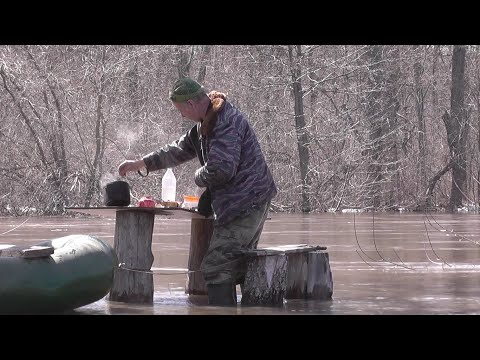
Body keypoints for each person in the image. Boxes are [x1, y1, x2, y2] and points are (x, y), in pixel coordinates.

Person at [118, 77, 277, 306]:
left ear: (192, 104)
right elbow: (177, 150)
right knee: (237, 264)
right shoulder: (206, 122)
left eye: (181, 110)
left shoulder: (225, 123)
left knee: (216, 267)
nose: (181, 115)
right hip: (248, 200)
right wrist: (140, 163)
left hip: (246, 201)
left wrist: (197, 177)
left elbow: (222, 170)